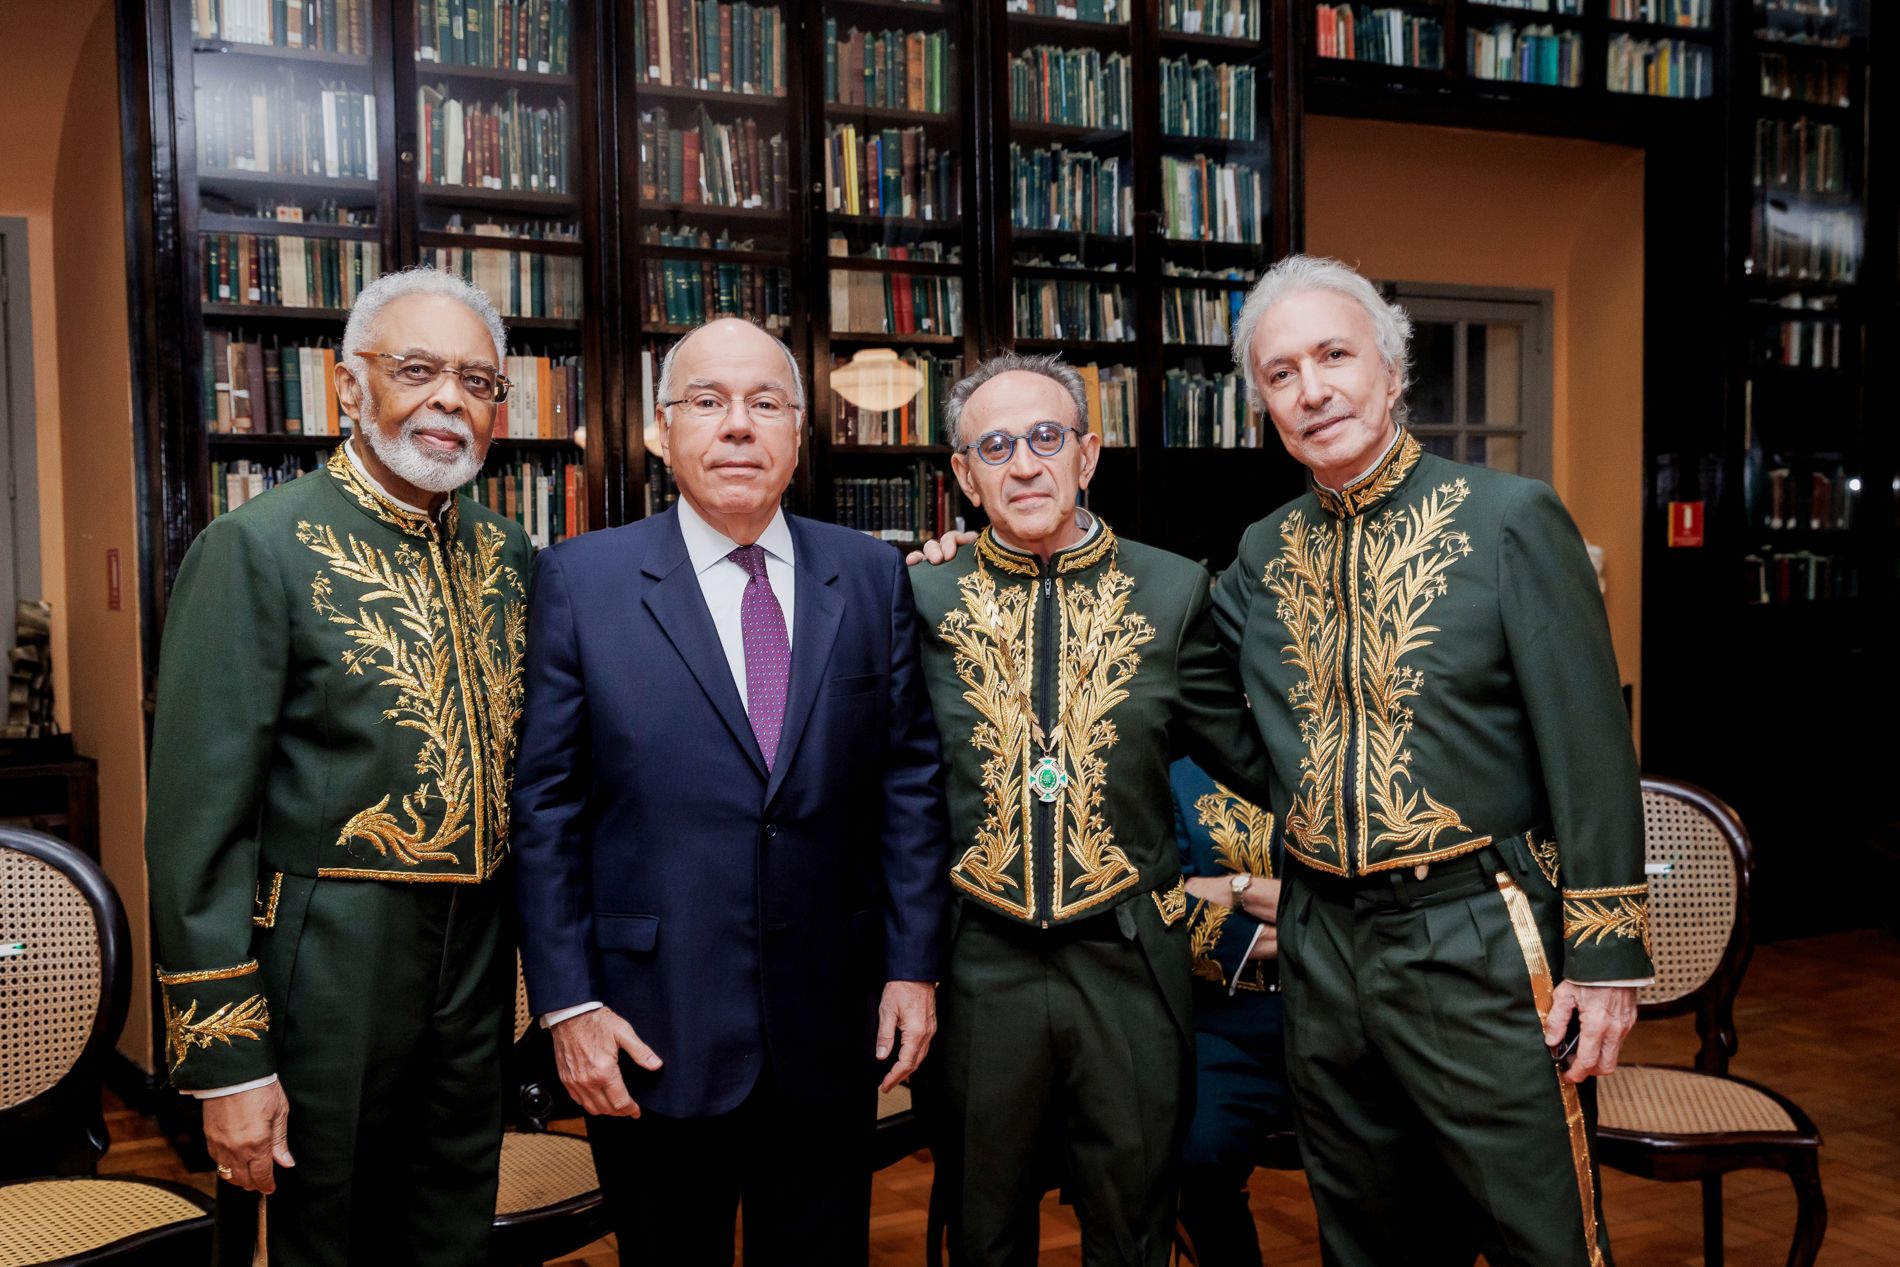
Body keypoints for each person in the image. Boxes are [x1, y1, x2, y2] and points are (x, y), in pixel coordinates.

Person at [1212, 254, 1653, 1266]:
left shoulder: (1509, 517)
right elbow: (1181, 666)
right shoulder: (1263, 551)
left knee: (1538, 1233)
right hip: (1323, 944)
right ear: (1264, 406)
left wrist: (1604, 958)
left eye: (1333, 355)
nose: (1311, 388)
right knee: (1366, 1237)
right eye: (1280, 373)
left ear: (1392, 368)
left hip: (1477, 934)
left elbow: (1589, 746)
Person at [510, 316, 951, 1265]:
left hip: (831, 1025)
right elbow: (545, 808)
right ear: (662, 433)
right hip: (649, 1022)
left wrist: (914, 965)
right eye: (707, 402)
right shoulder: (581, 580)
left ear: (800, 432)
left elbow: (908, 783)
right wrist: (569, 1004)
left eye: (765, 404)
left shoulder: (872, 576)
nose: (738, 426)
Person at [144, 267, 532, 1265]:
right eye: (417, 369)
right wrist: (227, 1060)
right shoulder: (254, 549)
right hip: (324, 960)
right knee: (314, 1235)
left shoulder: (513, 556)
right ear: (347, 387)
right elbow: (198, 828)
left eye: (480, 381)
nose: (452, 398)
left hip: (477, 960)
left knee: (450, 1229)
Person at [906, 352, 1273, 1267]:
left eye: (1045, 437)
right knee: (982, 1225)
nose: (1023, 463)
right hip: (978, 960)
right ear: (964, 475)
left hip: (1129, 961)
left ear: (1088, 453)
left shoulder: (1175, 590)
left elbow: (1261, 760)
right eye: (994, 445)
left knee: (1135, 1225)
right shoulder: (918, 593)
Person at [1171, 757, 1291, 1267]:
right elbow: (1162, 899)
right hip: (1221, 1020)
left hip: (1341, 1010)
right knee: (1197, 1152)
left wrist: (1237, 889)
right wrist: (1315, 929)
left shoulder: (1334, 737)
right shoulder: (1176, 763)